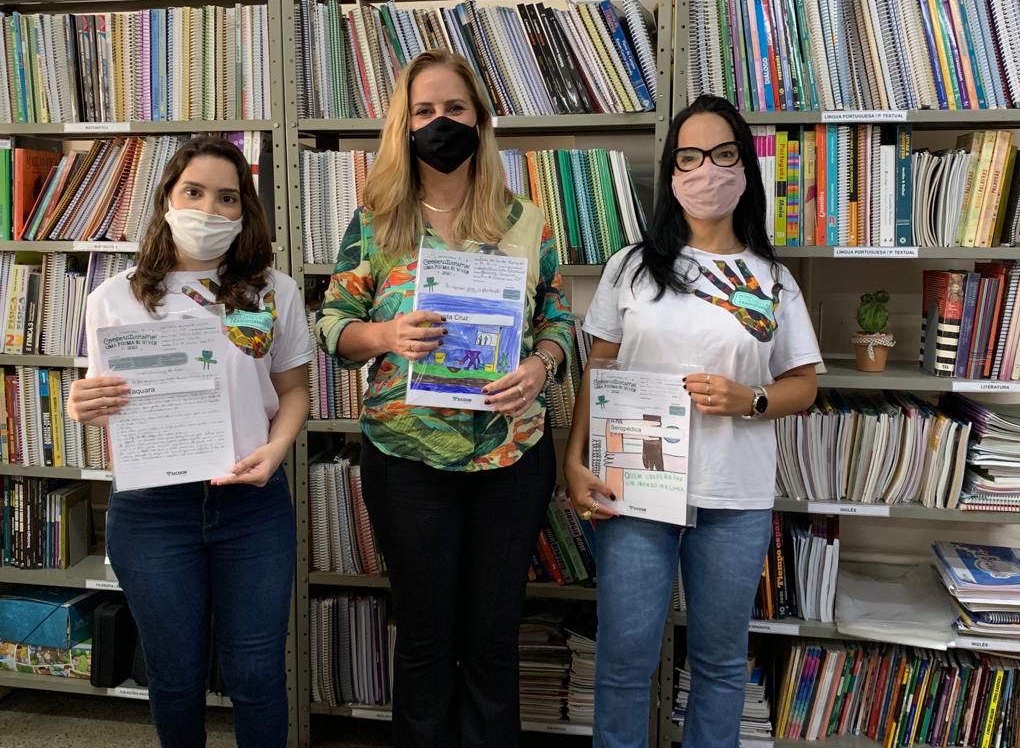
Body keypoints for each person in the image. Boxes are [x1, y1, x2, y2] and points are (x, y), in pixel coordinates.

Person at [316, 49, 573, 747]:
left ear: (480, 120)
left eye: (454, 109)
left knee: (492, 640)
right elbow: (331, 325)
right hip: (406, 459)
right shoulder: (375, 221)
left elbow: (559, 319)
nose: (440, 122)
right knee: (425, 640)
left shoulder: (525, 220)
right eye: (424, 110)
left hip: (510, 457)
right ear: (404, 124)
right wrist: (385, 334)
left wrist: (541, 366)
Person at [564, 94, 822, 748]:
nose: (707, 170)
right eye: (690, 156)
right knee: (624, 662)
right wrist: (575, 460)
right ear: (672, 171)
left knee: (719, 662)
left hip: (733, 496)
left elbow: (805, 385)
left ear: (744, 166)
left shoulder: (773, 280)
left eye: (723, 154)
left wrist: (751, 400)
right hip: (636, 491)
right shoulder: (631, 266)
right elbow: (597, 368)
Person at [67, 136, 311, 748]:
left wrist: (275, 450)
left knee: (256, 673)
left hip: (250, 507)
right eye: (193, 192)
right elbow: (104, 397)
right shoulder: (111, 299)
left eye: (227, 198)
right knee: (173, 677)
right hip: (152, 512)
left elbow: (295, 392)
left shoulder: (273, 292)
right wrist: (82, 404)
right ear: (168, 201)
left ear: (245, 211)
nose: (208, 209)